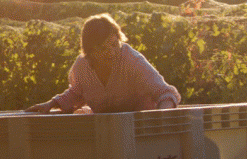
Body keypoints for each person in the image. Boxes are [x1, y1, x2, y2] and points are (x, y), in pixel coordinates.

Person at [25, 13, 180, 115]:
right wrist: (52, 103)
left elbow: (166, 94)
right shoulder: (82, 67)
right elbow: (77, 93)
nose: (111, 52)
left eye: (114, 44)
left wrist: (161, 118)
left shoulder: (132, 61)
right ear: (90, 51)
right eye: (102, 48)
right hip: (108, 133)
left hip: (142, 132)